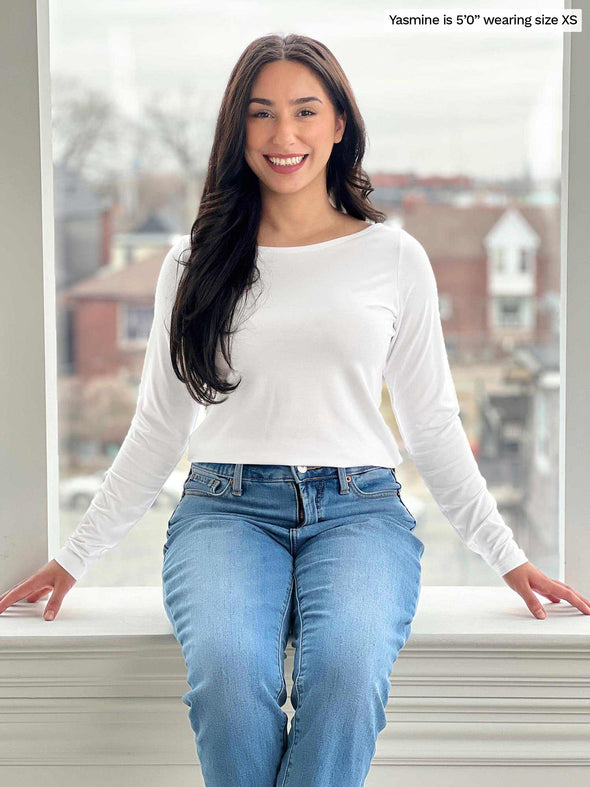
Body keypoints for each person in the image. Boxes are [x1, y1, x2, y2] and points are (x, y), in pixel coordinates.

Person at [1, 32, 589, 787]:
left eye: (306, 111)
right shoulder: (192, 264)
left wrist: (506, 556)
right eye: (262, 114)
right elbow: (158, 427)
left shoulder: (395, 258)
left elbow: (433, 427)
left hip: (360, 509)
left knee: (345, 673)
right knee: (227, 674)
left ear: (340, 123)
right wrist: (74, 556)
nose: (285, 136)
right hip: (225, 508)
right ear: (237, 129)